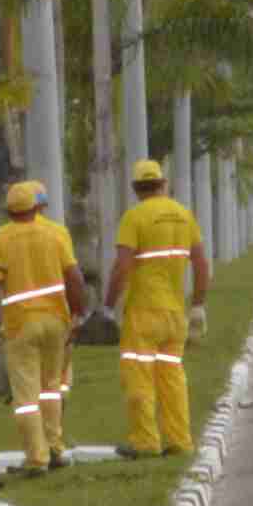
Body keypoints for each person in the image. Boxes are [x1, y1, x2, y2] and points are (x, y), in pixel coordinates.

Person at [0, 172, 86, 473]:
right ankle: (55, 448)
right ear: (37, 207)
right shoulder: (56, 233)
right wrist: (79, 315)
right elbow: (75, 279)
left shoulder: (1, 238)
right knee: (51, 388)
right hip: (56, 321)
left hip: (20, 325)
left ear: (9, 212)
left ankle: (37, 459)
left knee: (26, 398)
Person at [110, 154, 210, 454]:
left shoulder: (134, 217)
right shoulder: (184, 215)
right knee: (172, 379)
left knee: (139, 379)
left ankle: (145, 443)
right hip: (175, 314)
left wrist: (107, 304)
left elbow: (122, 267)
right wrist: (199, 304)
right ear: (163, 185)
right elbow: (202, 264)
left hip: (143, 313)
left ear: (135, 188)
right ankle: (180, 441)